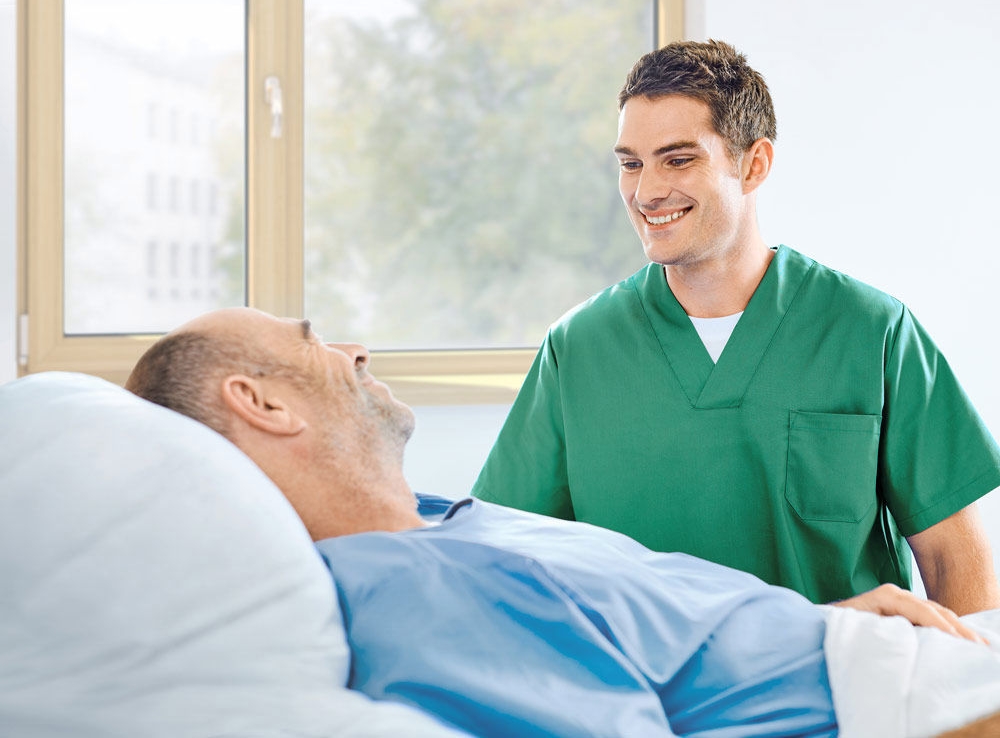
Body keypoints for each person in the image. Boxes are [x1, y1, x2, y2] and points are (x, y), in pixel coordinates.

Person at [125, 307, 1000, 738]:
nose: (355, 350)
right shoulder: (404, 589)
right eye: (312, 339)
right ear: (262, 400)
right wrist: (827, 672)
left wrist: (799, 631)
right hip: (887, 703)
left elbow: (655, 640)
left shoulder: (446, 522)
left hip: (876, 648)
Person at [470, 39, 1000, 613]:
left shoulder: (873, 333)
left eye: (678, 159)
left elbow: (955, 562)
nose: (646, 192)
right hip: (648, 698)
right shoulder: (578, 350)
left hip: (841, 690)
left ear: (754, 165)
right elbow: (502, 559)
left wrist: (967, 693)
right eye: (630, 164)